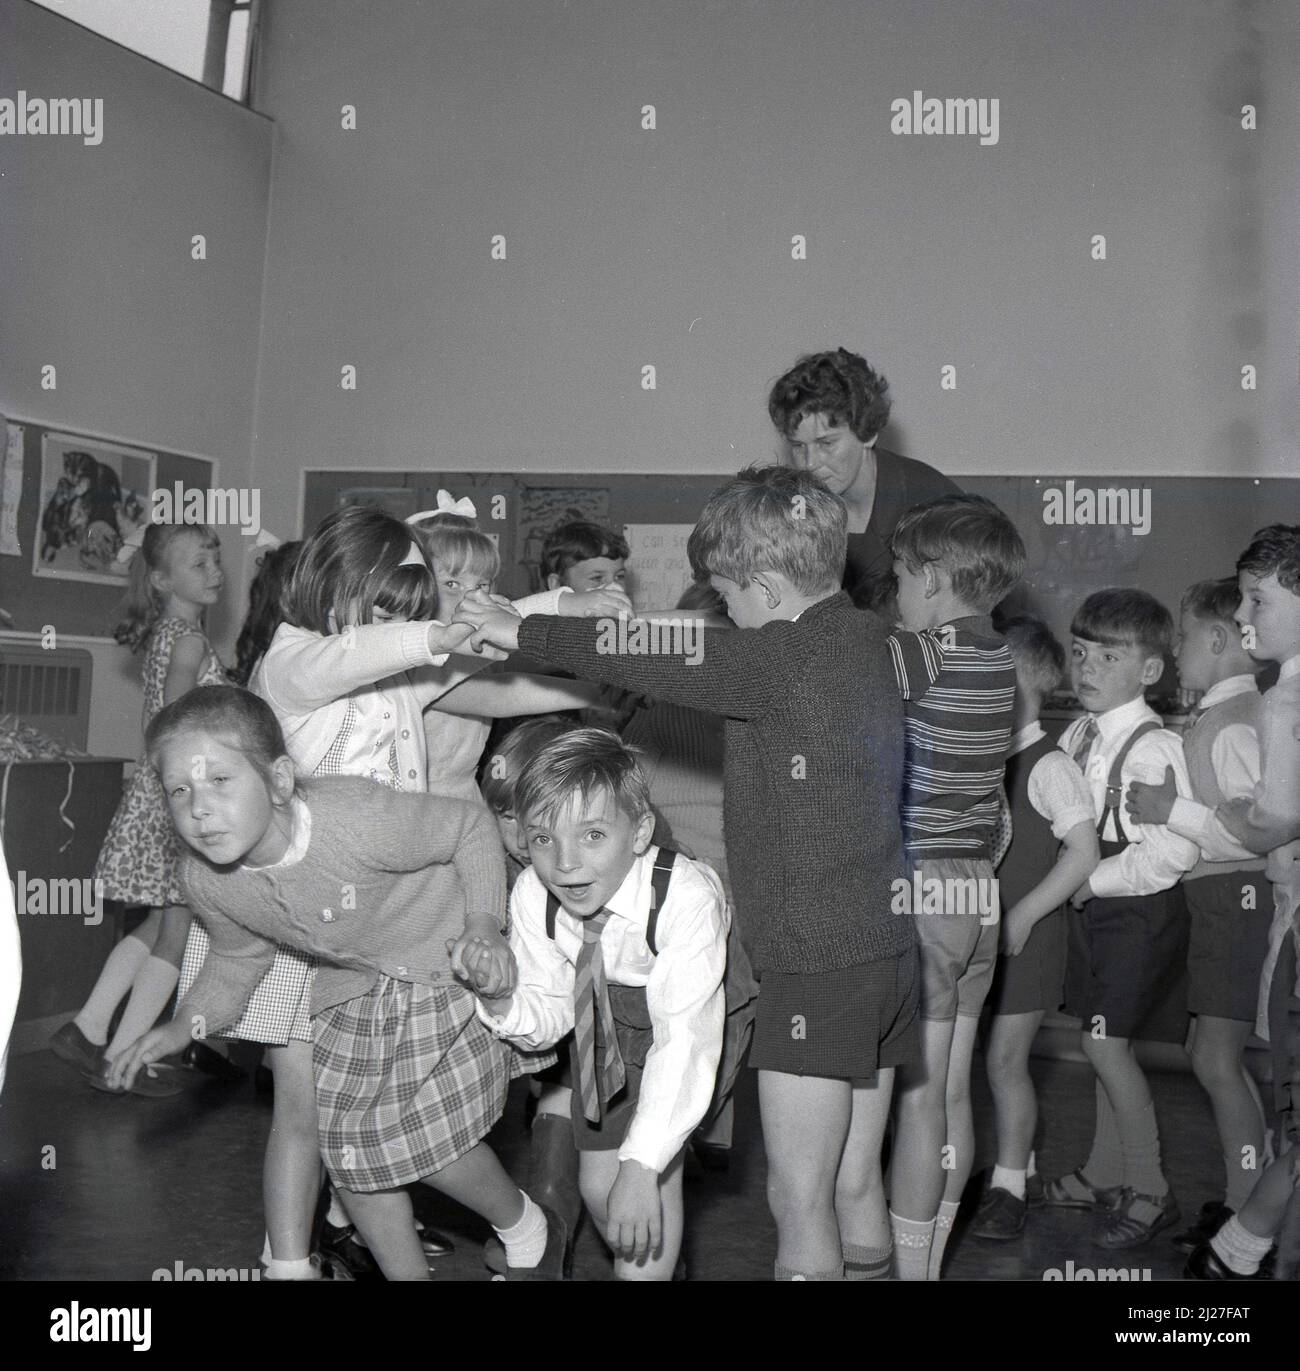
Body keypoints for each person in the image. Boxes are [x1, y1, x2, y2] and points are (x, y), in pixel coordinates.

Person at [456, 464, 919, 1282]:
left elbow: (653, 652)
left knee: (799, 1199)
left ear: (767, 587)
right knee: (854, 1181)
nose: (728, 615)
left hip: (816, 965)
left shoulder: (779, 657)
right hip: (886, 950)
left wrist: (517, 629)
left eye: (730, 596)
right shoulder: (872, 636)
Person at [107, 685, 567, 1281]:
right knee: (349, 1153)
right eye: (179, 790)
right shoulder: (208, 880)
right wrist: (184, 1023)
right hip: (351, 987)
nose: (198, 807)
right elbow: (237, 958)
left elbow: (468, 829)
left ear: (277, 782)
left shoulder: (353, 820)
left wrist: (484, 925)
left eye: (219, 780)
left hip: (444, 961)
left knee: (422, 1145)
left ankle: (528, 1226)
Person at [468, 728, 728, 1280]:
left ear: (639, 833)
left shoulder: (685, 898)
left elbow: (684, 1039)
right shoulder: (534, 894)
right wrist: (502, 996)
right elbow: (549, 1016)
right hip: (600, 1015)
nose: (564, 864)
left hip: (689, 1017)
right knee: (598, 1189)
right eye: (542, 839)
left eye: (592, 835)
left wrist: (643, 1164)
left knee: (651, 1177)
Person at [1126, 527, 1300, 1280]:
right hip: (1240, 900)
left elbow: (1263, 825)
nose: (1249, 616)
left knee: (1241, 1069)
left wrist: (1173, 813)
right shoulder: (1249, 709)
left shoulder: (1258, 712)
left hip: (1245, 899)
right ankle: (1245, 1227)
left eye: (1261, 598)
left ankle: (1242, 1225)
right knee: (1225, 1060)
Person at [885, 494, 1023, 1278]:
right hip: (979, 890)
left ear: (934, 581)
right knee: (954, 1092)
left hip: (925, 884)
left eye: (903, 576)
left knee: (915, 1098)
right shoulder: (1001, 657)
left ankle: (910, 1274)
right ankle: (931, 1260)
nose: (897, 593)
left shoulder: (924, 650)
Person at [1042, 589, 1198, 1249]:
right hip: (1095, 911)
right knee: (1099, 1039)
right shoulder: (1077, 733)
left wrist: (1089, 882)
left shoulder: (1154, 746)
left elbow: (1173, 850)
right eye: (1081, 652)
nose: (1089, 667)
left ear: (1150, 671)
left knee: (1106, 1044)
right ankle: (1106, 1170)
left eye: (1111, 655)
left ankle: (1152, 1186)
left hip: (1136, 912)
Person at [51, 521, 228, 1097]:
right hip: (177, 800)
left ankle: (88, 1029)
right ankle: (124, 1058)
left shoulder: (168, 632)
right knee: (176, 930)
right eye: (198, 564)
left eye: (215, 560)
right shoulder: (191, 640)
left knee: (156, 921)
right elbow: (171, 720)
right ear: (160, 579)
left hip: (157, 796)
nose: (214, 572)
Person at [970, 617, 1098, 1241]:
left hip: (1027, 936)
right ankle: (992, 1164)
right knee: (970, 1060)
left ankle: (1010, 1185)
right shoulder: (986, 756)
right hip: (979, 938)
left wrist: (1023, 914)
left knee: (1003, 1062)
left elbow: (1083, 852)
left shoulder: (1050, 765)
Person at [412, 500, 630, 802]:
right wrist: (596, 692)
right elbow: (496, 696)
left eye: (483, 585)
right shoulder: (413, 660)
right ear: (413, 589)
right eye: (452, 583)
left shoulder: (469, 652)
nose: (472, 598)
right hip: (417, 806)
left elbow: (510, 671)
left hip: (464, 800)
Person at [768, 348, 961, 616]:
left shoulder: (935, 504)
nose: (809, 463)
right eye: (798, 446)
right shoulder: (792, 507)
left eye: (827, 443)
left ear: (868, 434)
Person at [540, 520, 629, 594]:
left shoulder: (622, 613)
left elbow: (624, 615)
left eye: (620, 576)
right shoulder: (538, 615)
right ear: (557, 584)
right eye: (597, 578)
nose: (615, 588)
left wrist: (623, 614)